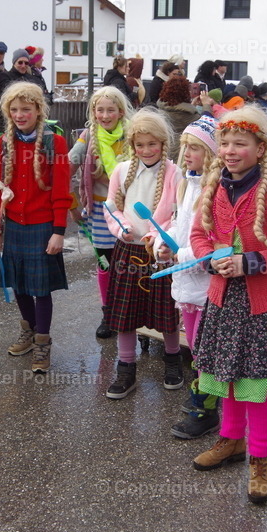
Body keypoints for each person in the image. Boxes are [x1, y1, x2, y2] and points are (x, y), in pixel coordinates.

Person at [188, 105, 267, 504]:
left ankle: (259, 459)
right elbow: (197, 236)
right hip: (223, 298)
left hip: (264, 304)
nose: (230, 150)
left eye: (241, 143)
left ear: (260, 149)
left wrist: (251, 261)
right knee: (225, 376)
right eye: (225, 143)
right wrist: (209, 259)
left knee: (254, 383)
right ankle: (230, 441)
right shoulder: (214, 189)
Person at [0, 82, 71, 374]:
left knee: (41, 289)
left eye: (26, 109)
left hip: (43, 226)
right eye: (14, 109)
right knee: (18, 283)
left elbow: (61, 190)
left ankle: (42, 343)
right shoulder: (1, 144)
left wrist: (59, 230)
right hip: (14, 225)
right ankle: (29, 331)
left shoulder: (55, 143)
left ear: (38, 110)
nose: (20, 114)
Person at [102, 107, 181, 399]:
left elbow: (177, 214)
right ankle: (126, 369)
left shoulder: (175, 173)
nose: (146, 150)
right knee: (125, 313)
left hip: (159, 252)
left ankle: (172, 360)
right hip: (127, 250)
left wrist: (156, 236)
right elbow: (112, 206)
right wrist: (120, 227)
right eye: (140, 144)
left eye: (152, 144)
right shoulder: (122, 171)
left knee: (166, 311)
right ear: (132, 145)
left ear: (163, 143)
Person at [159, 115, 220, 439]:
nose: (187, 154)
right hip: (187, 287)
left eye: (195, 148)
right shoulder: (186, 184)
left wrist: (180, 256)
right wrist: (160, 242)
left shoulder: (213, 191)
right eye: (184, 147)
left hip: (207, 286)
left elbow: (209, 247)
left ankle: (205, 407)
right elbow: (176, 226)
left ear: (210, 153)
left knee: (205, 350)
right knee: (197, 349)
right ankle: (206, 395)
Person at [69, 86, 133, 338]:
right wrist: (72, 203)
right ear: (93, 112)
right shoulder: (88, 136)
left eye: (110, 110)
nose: (105, 115)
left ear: (120, 111)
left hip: (128, 210)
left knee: (129, 263)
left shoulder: (131, 134)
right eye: (100, 110)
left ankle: (128, 311)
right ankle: (108, 313)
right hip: (99, 210)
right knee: (105, 263)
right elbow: (68, 165)